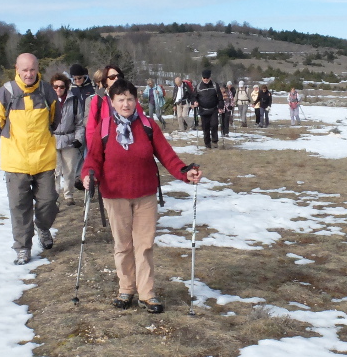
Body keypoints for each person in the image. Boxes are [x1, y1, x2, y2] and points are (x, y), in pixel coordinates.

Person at [81, 79, 203, 314]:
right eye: (120, 99)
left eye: (130, 99)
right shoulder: (104, 127)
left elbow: (167, 156)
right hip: (115, 195)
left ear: (136, 101)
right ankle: (126, 289)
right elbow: (93, 159)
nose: (126, 104)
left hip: (145, 195)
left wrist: (186, 173)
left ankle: (147, 294)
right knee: (123, 245)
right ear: (113, 103)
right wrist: (88, 176)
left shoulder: (147, 125)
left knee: (144, 245)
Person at [0, 53, 59, 265]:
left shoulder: (47, 91)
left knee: (48, 201)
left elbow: (55, 120)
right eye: (24, 70)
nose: (29, 74)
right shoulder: (5, 93)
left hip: (44, 159)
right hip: (15, 161)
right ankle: (23, 248)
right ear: (17, 69)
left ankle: (43, 226)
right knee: (19, 207)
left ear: (38, 69)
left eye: (32, 69)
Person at [50, 73, 84, 206]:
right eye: (55, 86)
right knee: (55, 170)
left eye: (61, 87)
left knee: (69, 170)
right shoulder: (48, 101)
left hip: (69, 139)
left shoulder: (74, 101)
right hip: (53, 138)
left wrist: (78, 139)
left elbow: (80, 123)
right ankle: (55, 196)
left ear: (66, 87)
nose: (58, 89)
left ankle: (68, 195)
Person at [193, 69, 221, 149]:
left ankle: (215, 141)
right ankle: (207, 143)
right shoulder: (198, 86)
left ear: (210, 77)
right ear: (202, 77)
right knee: (205, 127)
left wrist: (220, 106)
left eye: (207, 78)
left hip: (213, 109)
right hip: (203, 110)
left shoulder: (215, 85)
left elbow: (220, 97)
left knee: (214, 125)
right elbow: (194, 96)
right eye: (204, 78)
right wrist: (195, 101)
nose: (205, 79)